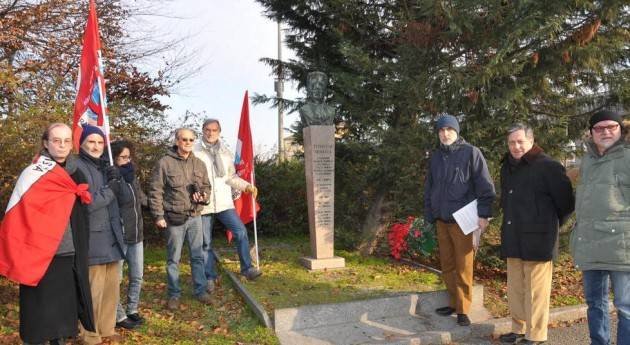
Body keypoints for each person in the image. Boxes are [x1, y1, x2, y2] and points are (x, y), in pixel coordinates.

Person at [0, 123, 95, 345]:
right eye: (56, 140)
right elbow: (20, 213)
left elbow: (82, 214)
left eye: (66, 141)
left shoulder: (77, 173)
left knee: (64, 306)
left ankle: (59, 339)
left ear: (72, 144)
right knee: (38, 306)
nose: (62, 145)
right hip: (40, 253)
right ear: (46, 143)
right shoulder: (32, 174)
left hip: (69, 251)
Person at [498, 124, 574, 345]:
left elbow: (566, 203)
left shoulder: (548, 166)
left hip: (539, 238)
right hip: (513, 235)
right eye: (512, 142)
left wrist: (549, 224)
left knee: (536, 291)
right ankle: (518, 328)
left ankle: (536, 334)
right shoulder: (507, 166)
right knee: (515, 288)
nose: (516, 146)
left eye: (520, 141)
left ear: (531, 141)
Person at [423, 114, 495, 326]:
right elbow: (430, 187)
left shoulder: (471, 153)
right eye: (441, 130)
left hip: (463, 221)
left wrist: (483, 214)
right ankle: (453, 302)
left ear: (457, 131)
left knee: (464, 266)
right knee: (447, 264)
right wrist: (430, 213)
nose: (445, 134)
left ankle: (463, 310)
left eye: (449, 130)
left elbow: (485, 186)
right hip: (441, 220)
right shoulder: (436, 157)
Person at [571, 110, 630, 345]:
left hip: (621, 246)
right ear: (591, 133)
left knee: (625, 306)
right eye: (599, 128)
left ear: (620, 129)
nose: (605, 131)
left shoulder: (628, 158)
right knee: (595, 303)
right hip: (589, 243)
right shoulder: (586, 161)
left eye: (611, 127)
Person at [75, 125, 128, 345]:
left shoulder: (107, 165)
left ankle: (106, 328)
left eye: (99, 142)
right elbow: (85, 204)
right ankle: (89, 333)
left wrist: (120, 178)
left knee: (111, 289)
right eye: (91, 142)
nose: (96, 146)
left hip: (113, 236)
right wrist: (110, 189)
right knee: (92, 290)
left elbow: (124, 198)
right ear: (82, 144)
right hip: (92, 237)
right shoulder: (76, 167)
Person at [193, 119, 261, 291]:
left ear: (219, 132)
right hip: (204, 204)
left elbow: (230, 177)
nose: (210, 133)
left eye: (214, 130)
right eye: (207, 130)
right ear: (203, 130)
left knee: (240, 232)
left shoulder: (225, 152)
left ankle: (247, 269)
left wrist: (247, 186)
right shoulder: (195, 151)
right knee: (206, 243)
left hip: (224, 203)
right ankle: (210, 276)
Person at [148, 128, 211, 310]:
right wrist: (158, 215)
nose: (188, 142)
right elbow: (155, 191)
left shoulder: (199, 163)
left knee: (198, 256)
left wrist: (204, 196)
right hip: (174, 218)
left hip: (195, 216)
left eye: (191, 139)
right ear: (177, 141)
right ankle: (174, 294)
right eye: (184, 139)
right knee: (173, 259)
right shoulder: (164, 163)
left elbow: (207, 187)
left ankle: (200, 291)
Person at [110, 140, 147, 330]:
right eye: (122, 157)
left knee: (137, 275)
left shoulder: (132, 176)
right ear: (114, 157)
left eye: (128, 156)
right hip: (119, 236)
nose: (126, 160)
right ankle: (119, 315)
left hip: (136, 233)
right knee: (116, 278)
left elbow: (140, 199)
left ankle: (132, 309)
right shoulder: (110, 177)